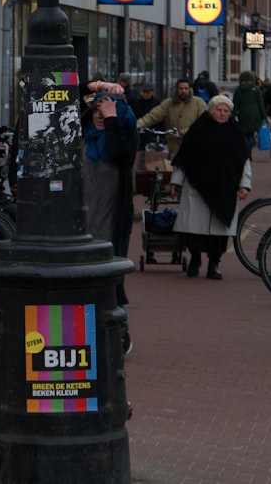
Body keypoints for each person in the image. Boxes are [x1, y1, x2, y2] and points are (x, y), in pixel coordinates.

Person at [82, 79, 139, 355]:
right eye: (96, 112)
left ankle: (120, 332)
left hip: (111, 223)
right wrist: (95, 87)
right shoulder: (84, 136)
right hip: (84, 224)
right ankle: (87, 334)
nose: (99, 117)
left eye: (104, 113)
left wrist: (113, 118)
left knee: (111, 280)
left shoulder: (123, 135)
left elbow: (121, 153)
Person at [169, 95, 251, 280]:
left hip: (225, 188)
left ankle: (214, 263)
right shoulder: (198, 129)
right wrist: (176, 181)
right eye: (218, 110)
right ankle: (195, 260)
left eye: (226, 111)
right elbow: (184, 158)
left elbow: (244, 161)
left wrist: (245, 185)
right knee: (194, 230)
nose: (222, 114)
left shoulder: (234, 132)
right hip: (197, 187)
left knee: (219, 232)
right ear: (211, 110)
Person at [136, 78, 207, 155]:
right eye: (181, 88)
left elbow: (204, 121)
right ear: (176, 89)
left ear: (190, 89)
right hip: (173, 146)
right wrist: (137, 125)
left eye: (186, 88)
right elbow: (152, 116)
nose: (183, 91)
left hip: (193, 145)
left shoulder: (199, 103)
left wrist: (186, 131)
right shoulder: (168, 103)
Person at [231, 70, 266, 156]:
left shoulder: (238, 90)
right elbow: (260, 104)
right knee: (251, 134)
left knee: (244, 134)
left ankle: (246, 152)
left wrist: (233, 115)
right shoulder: (256, 90)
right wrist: (263, 117)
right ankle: (248, 152)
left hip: (243, 115)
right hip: (255, 115)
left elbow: (235, 104)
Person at [130, 83, 163, 149]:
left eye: (147, 92)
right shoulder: (136, 103)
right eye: (143, 91)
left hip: (152, 133)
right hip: (139, 132)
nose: (145, 94)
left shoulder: (157, 103)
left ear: (152, 92)